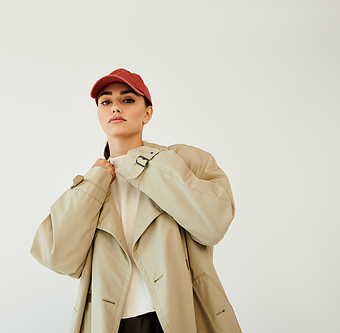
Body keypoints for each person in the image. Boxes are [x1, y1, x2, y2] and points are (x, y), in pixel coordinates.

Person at [30, 68, 242, 333]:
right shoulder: (92, 186)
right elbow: (56, 256)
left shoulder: (184, 162)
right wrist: (95, 182)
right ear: (99, 115)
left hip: (177, 315)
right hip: (110, 322)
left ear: (147, 113)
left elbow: (214, 223)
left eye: (128, 100)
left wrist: (143, 165)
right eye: (106, 102)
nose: (115, 107)